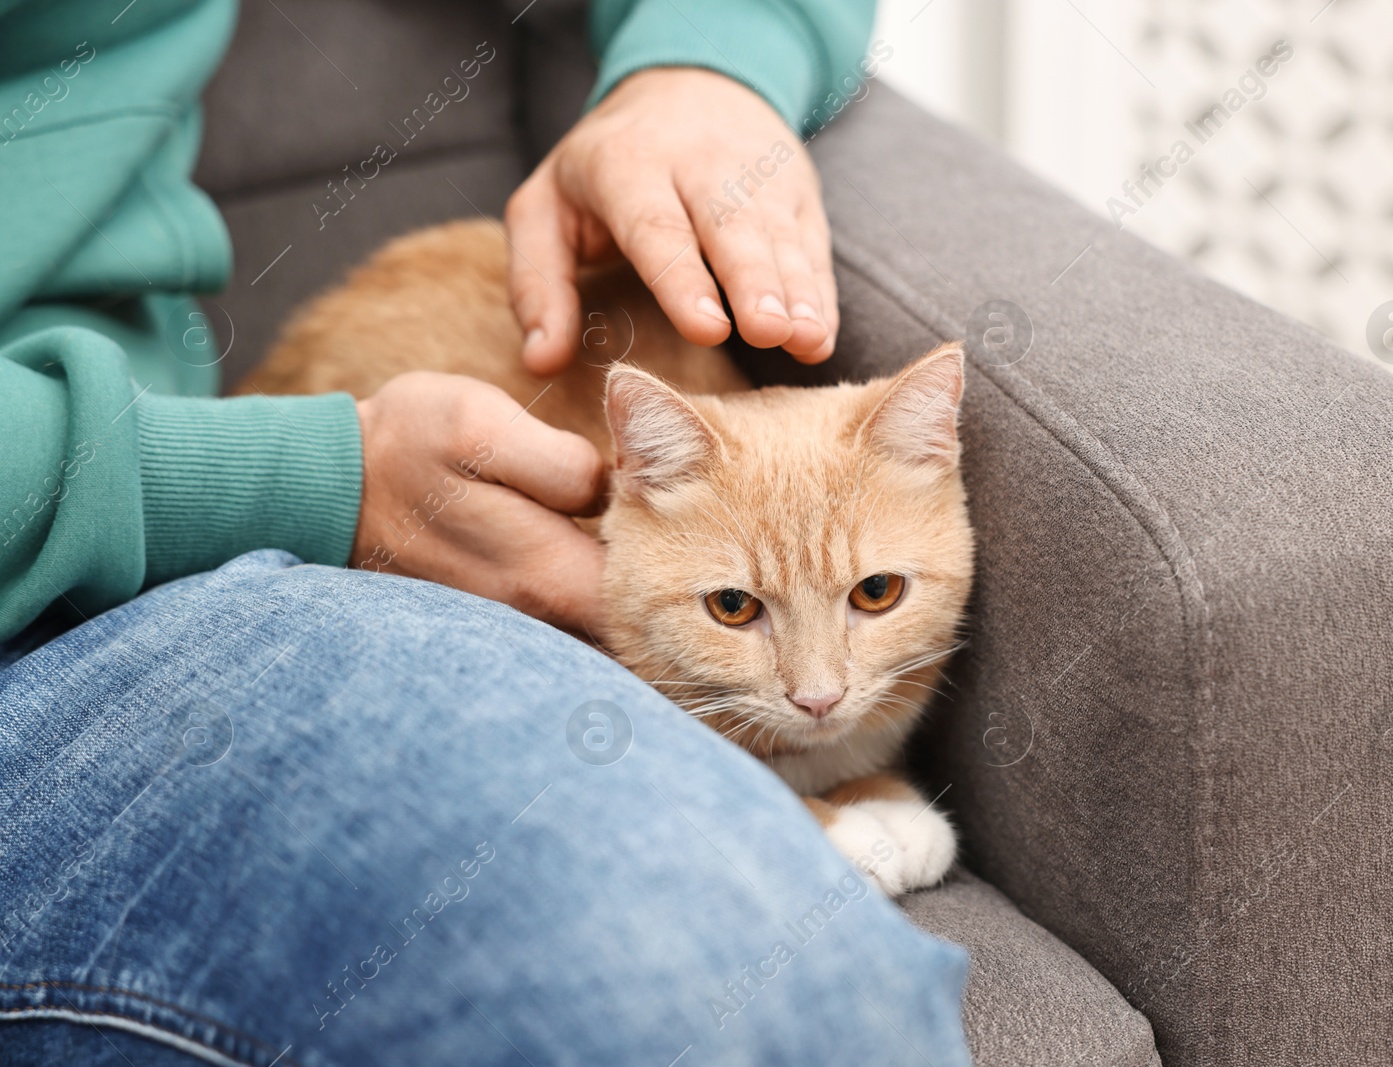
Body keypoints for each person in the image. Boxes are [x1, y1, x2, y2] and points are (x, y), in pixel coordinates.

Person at [0, 0, 972, 1063]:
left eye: (873, 595)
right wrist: (302, 478)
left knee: (818, 994)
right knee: (715, 991)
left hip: (162, 552)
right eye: (740, 605)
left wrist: (710, 63)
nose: (818, 685)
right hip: (143, 578)